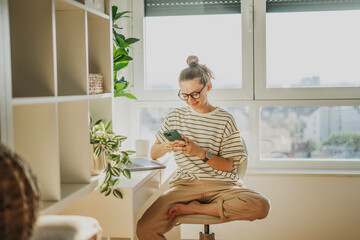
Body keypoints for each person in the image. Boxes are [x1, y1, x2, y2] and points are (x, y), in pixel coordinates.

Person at [137, 56, 270, 240]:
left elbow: (227, 166)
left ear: (208, 87)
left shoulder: (225, 119)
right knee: (144, 228)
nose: (190, 100)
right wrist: (169, 145)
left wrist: (199, 152)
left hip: (222, 185)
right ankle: (195, 206)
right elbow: (154, 153)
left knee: (261, 205)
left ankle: (196, 208)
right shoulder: (175, 116)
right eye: (184, 94)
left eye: (195, 94)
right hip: (185, 185)